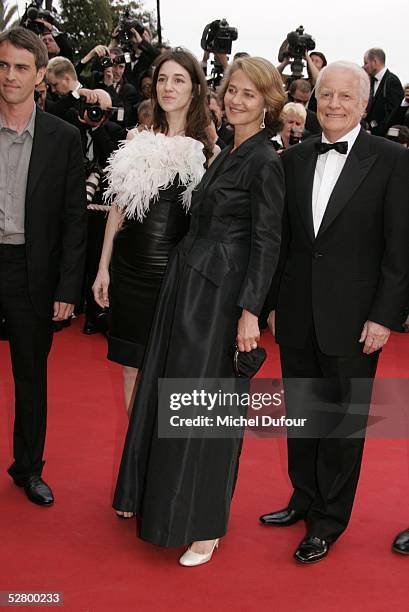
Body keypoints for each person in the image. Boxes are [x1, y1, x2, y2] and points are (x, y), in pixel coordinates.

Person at [112, 56, 285, 566]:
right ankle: (163, 504)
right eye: (232, 91)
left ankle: (205, 527)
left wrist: (250, 312)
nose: (236, 100)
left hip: (220, 297)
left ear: (268, 102)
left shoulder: (265, 160)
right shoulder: (230, 150)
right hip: (188, 287)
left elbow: (268, 242)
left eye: (249, 94)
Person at [260, 61, 409, 564]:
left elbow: (399, 248)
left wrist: (385, 316)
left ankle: (328, 521)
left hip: (355, 317)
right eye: (328, 95)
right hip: (298, 312)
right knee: (302, 416)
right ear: (314, 99)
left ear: (365, 105)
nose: (336, 104)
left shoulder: (392, 159)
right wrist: (274, 303)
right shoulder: (293, 158)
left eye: (348, 96)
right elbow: (283, 242)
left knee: (343, 427)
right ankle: (302, 499)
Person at [93, 49, 213, 415]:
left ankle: (159, 464)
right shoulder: (135, 141)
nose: (168, 87)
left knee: (168, 373)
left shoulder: (207, 150)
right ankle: (135, 466)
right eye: (162, 79)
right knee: (132, 369)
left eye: (178, 80)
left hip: (174, 276)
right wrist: (103, 268)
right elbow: (118, 209)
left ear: (194, 89)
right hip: (129, 269)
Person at [0, 28, 87, 505]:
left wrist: (67, 289)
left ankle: (28, 467)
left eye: (20, 67)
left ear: (39, 77)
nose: (9, 75)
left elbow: (75, 219)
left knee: (30, 375)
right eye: (2, 65)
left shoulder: (63, 138)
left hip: (30, 270)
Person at [363, 47, 404, 136]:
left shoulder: (392, 81)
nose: (364, 67)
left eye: (366, 63)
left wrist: (378, 132)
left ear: (374, 62)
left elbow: (394, 113)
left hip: (384, 137)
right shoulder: (372, 81)